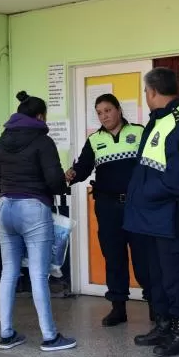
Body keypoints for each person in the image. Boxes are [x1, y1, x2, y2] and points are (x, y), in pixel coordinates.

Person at [125, 67, 179, 357]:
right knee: (158, 276)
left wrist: (146, 193)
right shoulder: (159, 120)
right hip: (153, 219)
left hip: (171, 219)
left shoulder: (178, 123)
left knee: (175, 276)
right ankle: (163, 325)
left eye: (145, 91)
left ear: (151, 92)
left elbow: (178, 178)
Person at [0, 91, 77, 353]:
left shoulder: (1, 141)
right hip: (33, 209)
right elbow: (53, 181)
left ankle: (6, 334)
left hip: (5, 207)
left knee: (8, 272)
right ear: (40, 116)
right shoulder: (42, 141)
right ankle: (50, 337)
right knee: (39, 275)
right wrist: (63, 183)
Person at [66, 93, 149, 327]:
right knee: (114, 257)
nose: (104, 116)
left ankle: (155, 305)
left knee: (144, 257)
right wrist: (69, 175)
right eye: (99, 113)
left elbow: (151, 166)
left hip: (137, 207)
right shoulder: (94, 140)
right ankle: (118, 308)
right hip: (108, 206)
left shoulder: (139, 132)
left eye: (108, 110)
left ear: (119, 110)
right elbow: (82, 169)